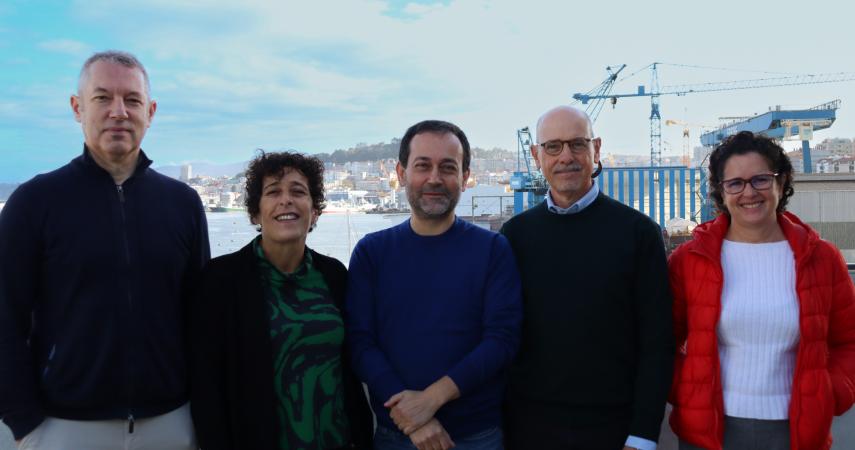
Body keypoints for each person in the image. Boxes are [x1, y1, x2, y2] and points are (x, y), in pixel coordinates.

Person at [0, 50, 209, 449]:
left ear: (150, 111)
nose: (118, 111)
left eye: (131, 100)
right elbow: (5, 316)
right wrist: (22, 421)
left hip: (170, 423)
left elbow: (199, 316)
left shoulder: (182, 203)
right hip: (63, 425)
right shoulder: (35, 202)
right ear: (77, 108)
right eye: (102, 98)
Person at [500, 106, 674, 450]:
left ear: (596, 149)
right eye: (553, 147)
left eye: (577, 144)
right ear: (536, 156)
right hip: (528, 430)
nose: (566, 156)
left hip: (614, 430)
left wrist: (642, 436)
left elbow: (657, 342)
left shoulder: (639, 233)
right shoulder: (514, 235)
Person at [668, 131, 855, 450]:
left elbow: (849, 342)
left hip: (795, 431)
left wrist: (830, 393)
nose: (748, 192)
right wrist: (685, 390)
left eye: (760, 180)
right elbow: (662, 341)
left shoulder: (822, 259)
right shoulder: (690, 260)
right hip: (708, 432)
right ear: (721, 192)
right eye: (735, 183)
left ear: (781, 184)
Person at [346, 120, 522, 450]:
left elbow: (502, 339)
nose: (434, 178)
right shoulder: (372, 252)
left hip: (476, 437)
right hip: (394, 435)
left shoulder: (493, 250)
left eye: (447, 167)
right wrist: (412, 418)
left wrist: (430, 400)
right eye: (422, 166)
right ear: (401, 173)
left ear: (465, 177)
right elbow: (360, 342)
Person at [189, 151, 373, 450]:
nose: (285, 200)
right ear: (255, 213)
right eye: (273, 192)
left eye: (298, 192)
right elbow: (206, 386)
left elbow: (351, 366)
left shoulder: (334, 275)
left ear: (314, 212)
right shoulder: (220, 280)